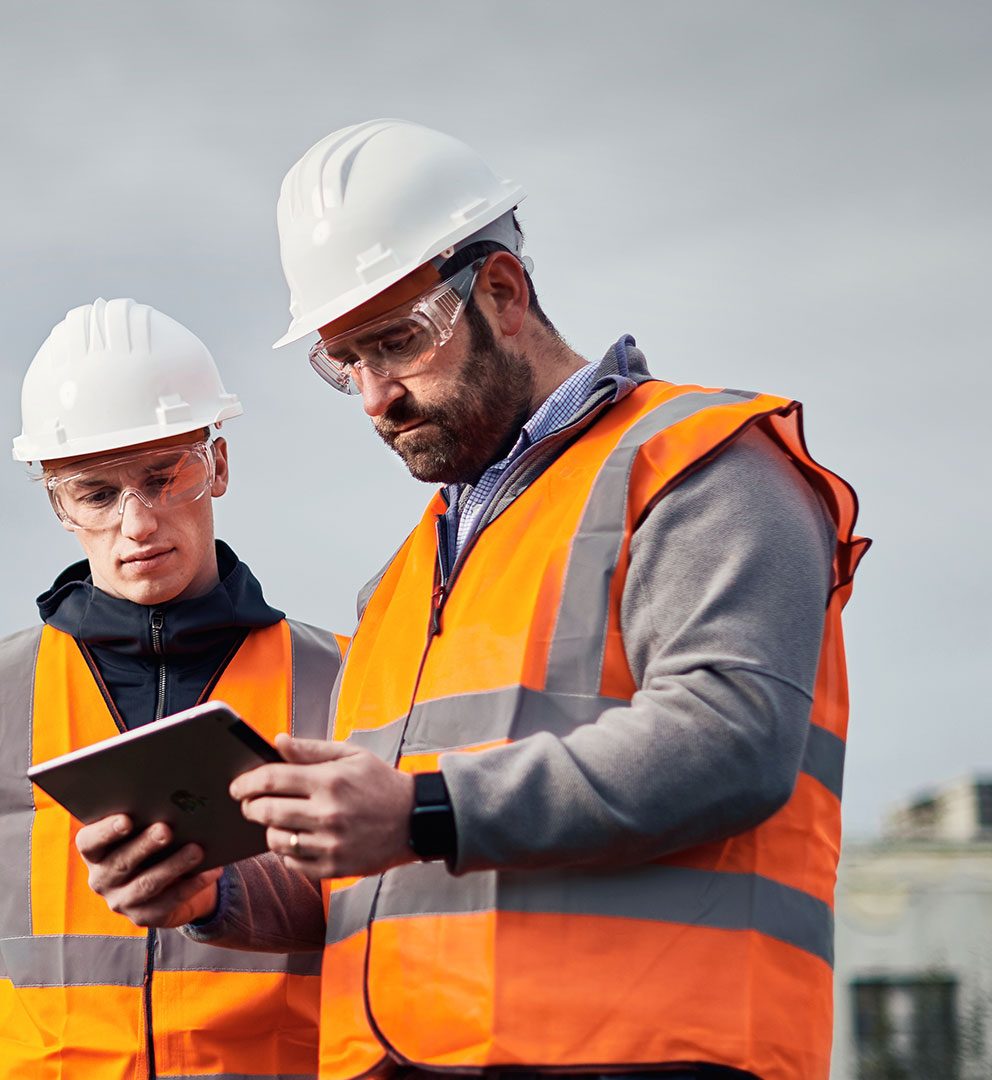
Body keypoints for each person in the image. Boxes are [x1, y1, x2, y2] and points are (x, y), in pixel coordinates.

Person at [77, 120, 868, 1080]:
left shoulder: (699, 467)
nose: (375, 396)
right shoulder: (406, 581)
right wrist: (212, 893)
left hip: (647, 1054)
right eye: (345, 363)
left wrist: (421, 808)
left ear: (502, 290)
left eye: (397, 343)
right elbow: (381, 879)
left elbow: (730, 736)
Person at [0, 297, 348, 1080]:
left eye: (164, 476)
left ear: (219, 467)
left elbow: (393, 926)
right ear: (58, 506)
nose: (138, 522)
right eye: (97, 494)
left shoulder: (346, 679)